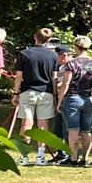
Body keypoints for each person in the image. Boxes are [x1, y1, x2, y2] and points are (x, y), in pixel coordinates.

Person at [12, 28, 61, 166]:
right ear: (49, 40)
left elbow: (19, 76)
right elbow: (54, 77)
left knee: (26, 124)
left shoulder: (24, 53)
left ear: (35, 37)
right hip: (46, 91)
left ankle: (24, 156)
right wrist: (55, 95)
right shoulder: (53, 56)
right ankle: (40, 156)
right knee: (43, 125)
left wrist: (15, 93)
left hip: (28, 91)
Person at [57, 38, 92, 166]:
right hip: (87, 99)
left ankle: (74, 158)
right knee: (86, 131)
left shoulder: (71, 64)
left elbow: (65, 84)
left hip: (72, 98)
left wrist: (60, 100)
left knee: (73, 130)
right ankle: (85, 158)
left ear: (76, 47)